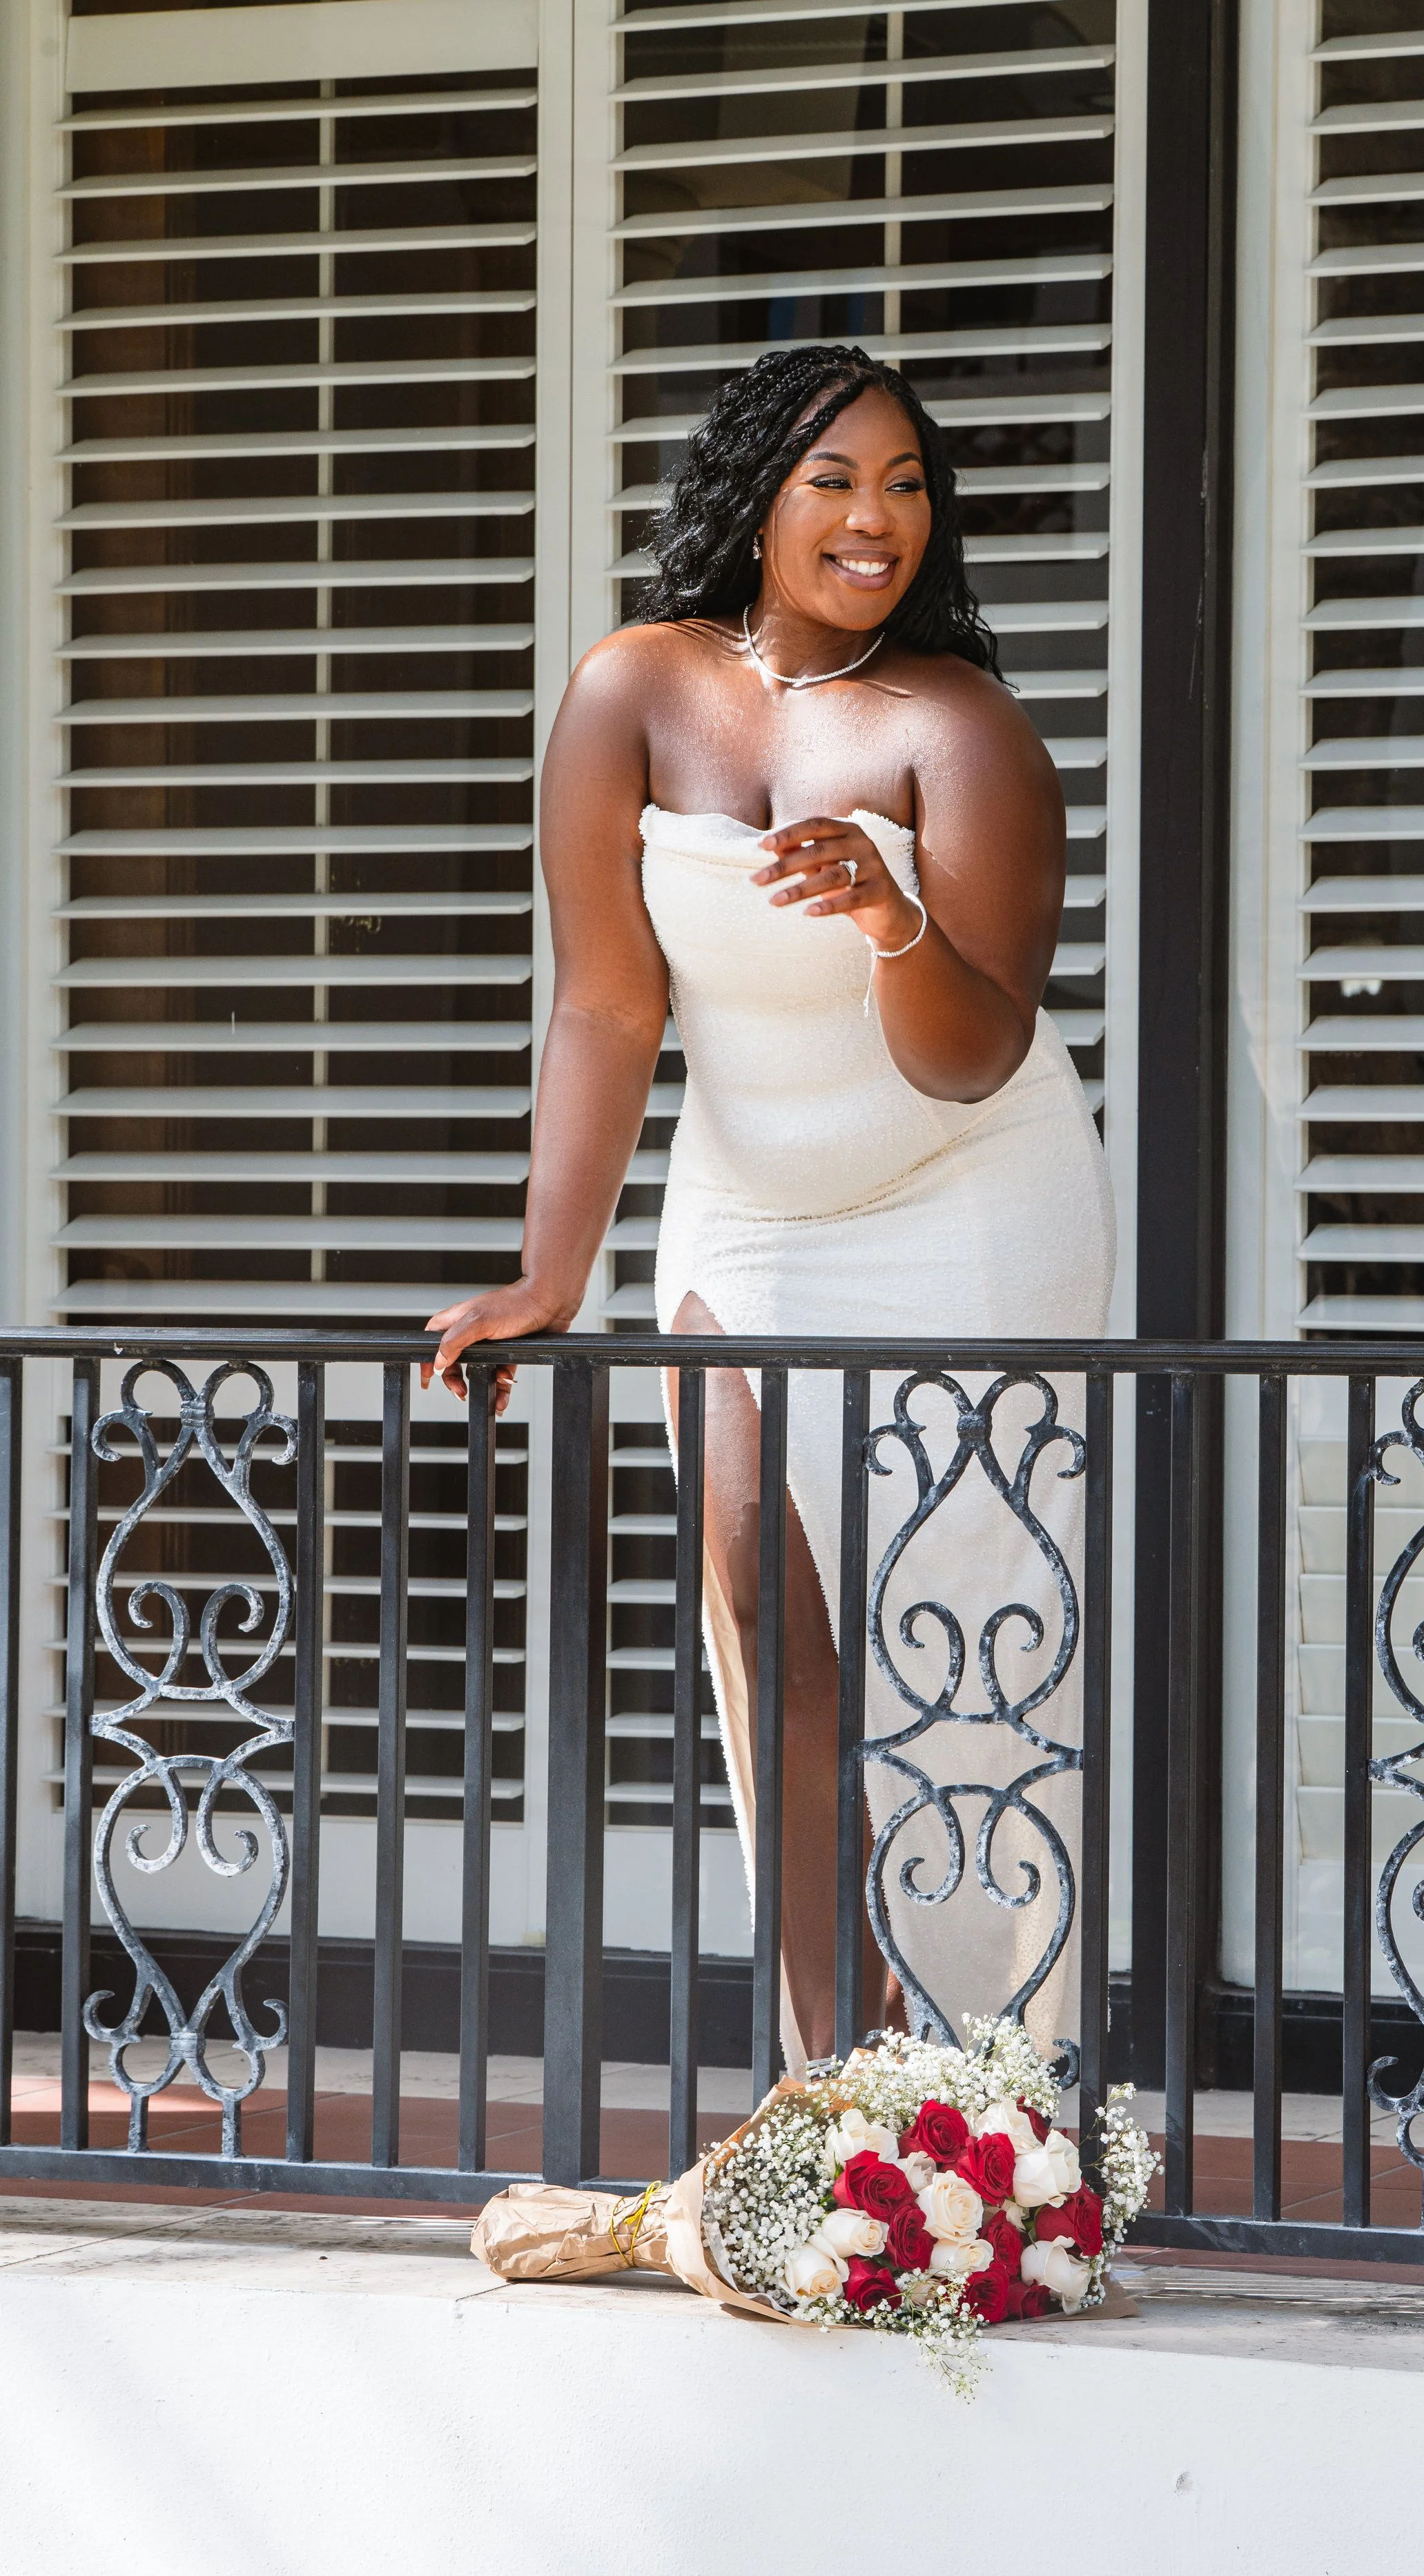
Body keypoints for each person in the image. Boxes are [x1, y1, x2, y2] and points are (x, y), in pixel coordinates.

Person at [423, 344, 1114, 2067]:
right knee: (755, 1605)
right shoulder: (632, 690)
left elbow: (969, 1057)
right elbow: (604, 1003)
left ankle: (990, 2080)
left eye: (903, 483)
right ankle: (834, 2074)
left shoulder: (959, 727)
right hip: (747, 1204)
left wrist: (890, 918)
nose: (875, 519)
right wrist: (546, 1273)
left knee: (962, 1646)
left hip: (968, 1198)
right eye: (832, 481)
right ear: (753, 499)